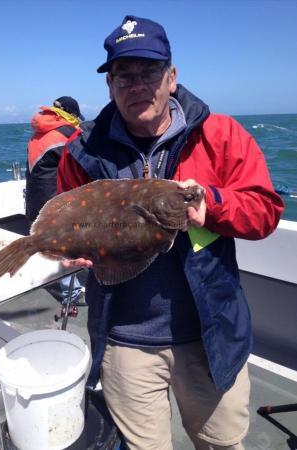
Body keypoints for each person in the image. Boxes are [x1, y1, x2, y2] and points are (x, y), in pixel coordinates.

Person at [57, 16, 284, 450]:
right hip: (126, 340)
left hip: (210, 334)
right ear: (110, 86)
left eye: (149, 73)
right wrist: (66, 252)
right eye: (124, 76)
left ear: (172, 77)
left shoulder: (222, 135)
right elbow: (67, 219)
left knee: (221, 443)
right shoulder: (82, 152)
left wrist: (212, 204)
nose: (137, 85)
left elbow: (266, 212)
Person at [25, 96, 85, 303]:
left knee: (56, 244)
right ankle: (71, 292)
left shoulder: (38, 133)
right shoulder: (69, 133)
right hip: (54, 201)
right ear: (72, 115)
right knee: (67, 244)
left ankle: (67, 286)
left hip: (34, 200)